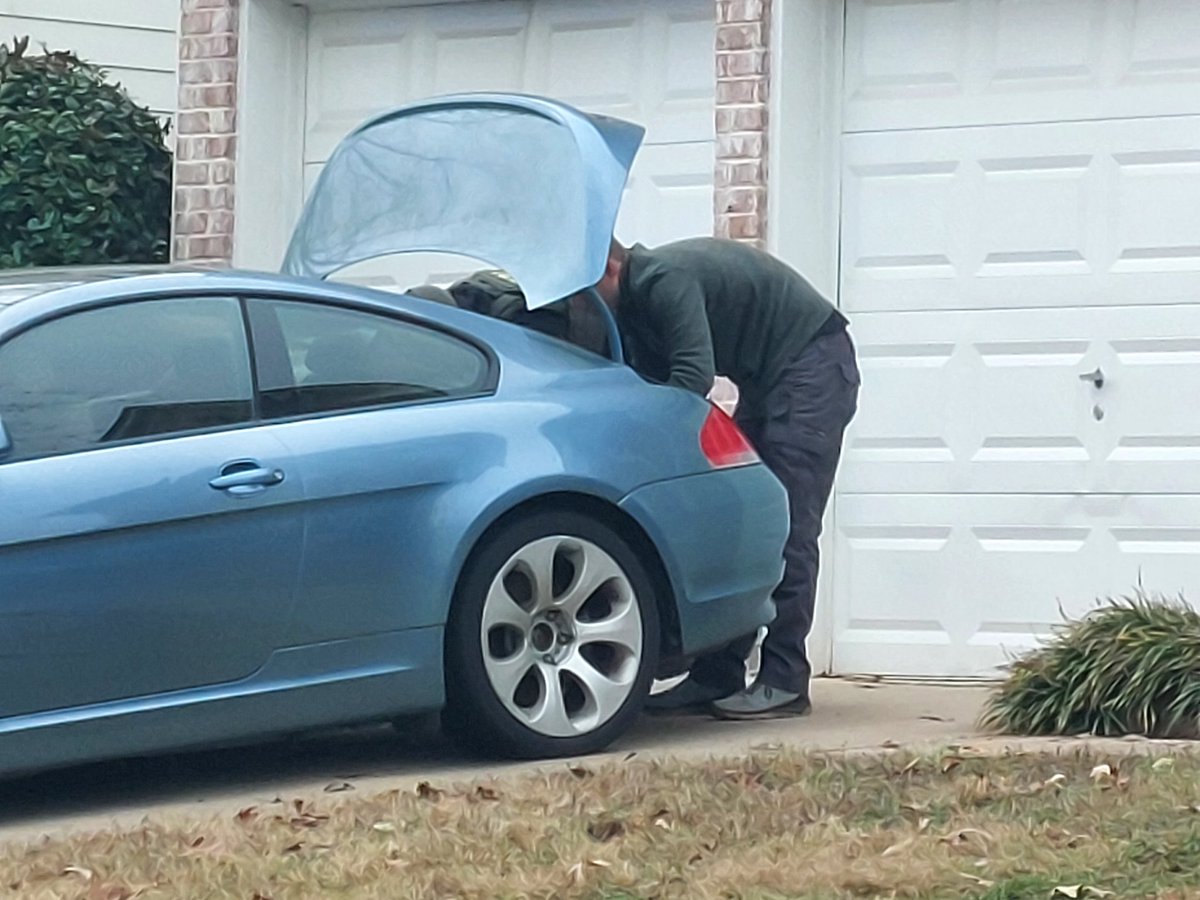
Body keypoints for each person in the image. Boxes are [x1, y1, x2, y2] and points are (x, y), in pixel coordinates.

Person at [592, 236, 860, 719]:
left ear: (610, 267)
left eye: (583, 290)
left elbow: (692, 376)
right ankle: (717, 675)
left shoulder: (662, 281)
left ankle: (784, 679)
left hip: (813, 365)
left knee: (786, 526)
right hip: (769, 376)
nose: (581, 304)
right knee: (742, 522)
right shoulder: (628, 305)